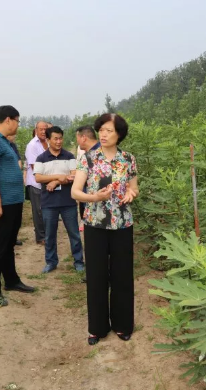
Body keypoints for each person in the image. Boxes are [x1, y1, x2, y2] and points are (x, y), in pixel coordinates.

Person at [71, 113, 139, 346]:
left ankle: (123, 325)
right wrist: (94, 197)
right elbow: (75, 192)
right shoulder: (88, 159)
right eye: (101, 130)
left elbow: (133, 187)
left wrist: (130, 193)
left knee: (122, 275)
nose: (104, 134)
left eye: (109, 130)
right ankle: (97, 328)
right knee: (97, 276)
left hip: (122, 223)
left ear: (119, 134)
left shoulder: (128, 159)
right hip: (95, 224)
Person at [0, 105, 35, 305]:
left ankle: (11, 280)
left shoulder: (4, 141)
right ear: (8, 120)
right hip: (0, 204)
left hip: (13, 202)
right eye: (17, 121)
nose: (18, 125)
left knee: (8, 244)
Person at [33, 126, 85, 274]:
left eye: (60, 138)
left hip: (68, 202)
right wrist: (58, 177)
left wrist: (55, 182)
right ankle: (51, 262)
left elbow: (73, 176)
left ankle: (79, 261)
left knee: (74, 233)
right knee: (50, 235)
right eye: (55, 138)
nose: (58, 141)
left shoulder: (69, 156)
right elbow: (38, 177)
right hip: (49, 203)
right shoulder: (41, 158)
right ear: (48, 140)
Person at [24, 121, 49, 245]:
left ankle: (47, 233)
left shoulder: (48, 142)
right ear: (36, 130)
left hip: (48, 181)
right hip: (36, 182)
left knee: (47, 208)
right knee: (38, 210)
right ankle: (40, 236)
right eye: (41, 129)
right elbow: (35, 167)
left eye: (45, 129)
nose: (44, 131)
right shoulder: (32, 145)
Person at [75, 125, 101, 226]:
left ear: (83, 138)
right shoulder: (88, 154)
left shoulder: (98, 155)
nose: (77, 141)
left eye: (77, 138)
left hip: (96, 206)